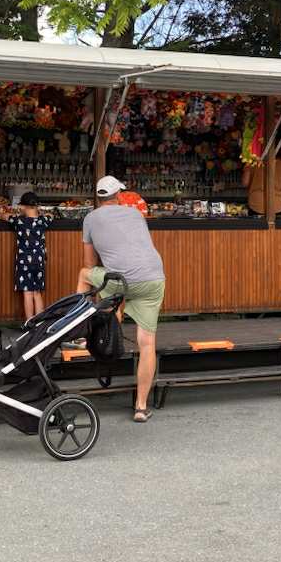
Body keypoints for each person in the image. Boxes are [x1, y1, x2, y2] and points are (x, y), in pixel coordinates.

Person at [77, 175, 166, 422]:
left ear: (98, 197)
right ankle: (141, 407)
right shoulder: (136, 214)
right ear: (118, 195)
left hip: (120, 280)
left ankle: (81, 333)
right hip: (153, 278)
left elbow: (89, 263)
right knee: (147, 343)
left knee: (86, 274)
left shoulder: (90, 218)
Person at [8, 191, 53, 320]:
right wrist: (43, 214)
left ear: (22, 206)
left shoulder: (19, 221)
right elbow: (50, 216)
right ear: (37, 206)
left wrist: (3, 213)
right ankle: (39, 323)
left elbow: (5, 216)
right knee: (37, 293)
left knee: (27, 293)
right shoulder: (42, 221)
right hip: (39, 260)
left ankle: (30, 323)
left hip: (24, 261)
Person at [242, 140, 281, 217]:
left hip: (256, 203)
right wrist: (279, 186)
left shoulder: (252, 161)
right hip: (277, 204)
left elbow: (245, 183)